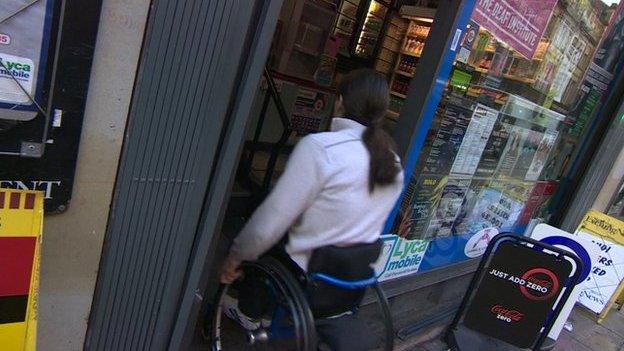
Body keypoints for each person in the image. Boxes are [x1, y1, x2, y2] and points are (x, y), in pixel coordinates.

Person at [219, 69, 404, 327]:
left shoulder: (321, 147)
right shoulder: (393, 162)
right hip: (351, 281)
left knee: (258, 224)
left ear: (340, 101)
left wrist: (233, 259)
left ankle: (249, 311)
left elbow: (266, 228)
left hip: (308, 275)